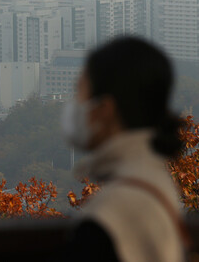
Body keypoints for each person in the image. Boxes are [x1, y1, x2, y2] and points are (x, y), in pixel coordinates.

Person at [62, 37, 186, 262]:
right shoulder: (153, 177)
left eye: (79, 92)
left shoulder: (111, 212)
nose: (74, 105)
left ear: (105, 109)